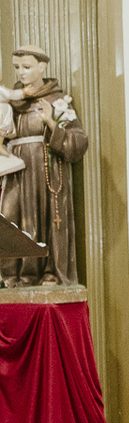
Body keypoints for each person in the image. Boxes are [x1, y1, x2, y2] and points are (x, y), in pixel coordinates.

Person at [0, 46, 88, 287]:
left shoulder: (56, 100)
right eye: (17, 67)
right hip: (15, 171)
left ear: (41, 67)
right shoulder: (11, 101)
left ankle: (48, 271)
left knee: (44, 217)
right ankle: (13, 275)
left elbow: (79, 142)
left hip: (45, 169)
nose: (21, 72)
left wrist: (50, 122)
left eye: (27, 67)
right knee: (11, 216)